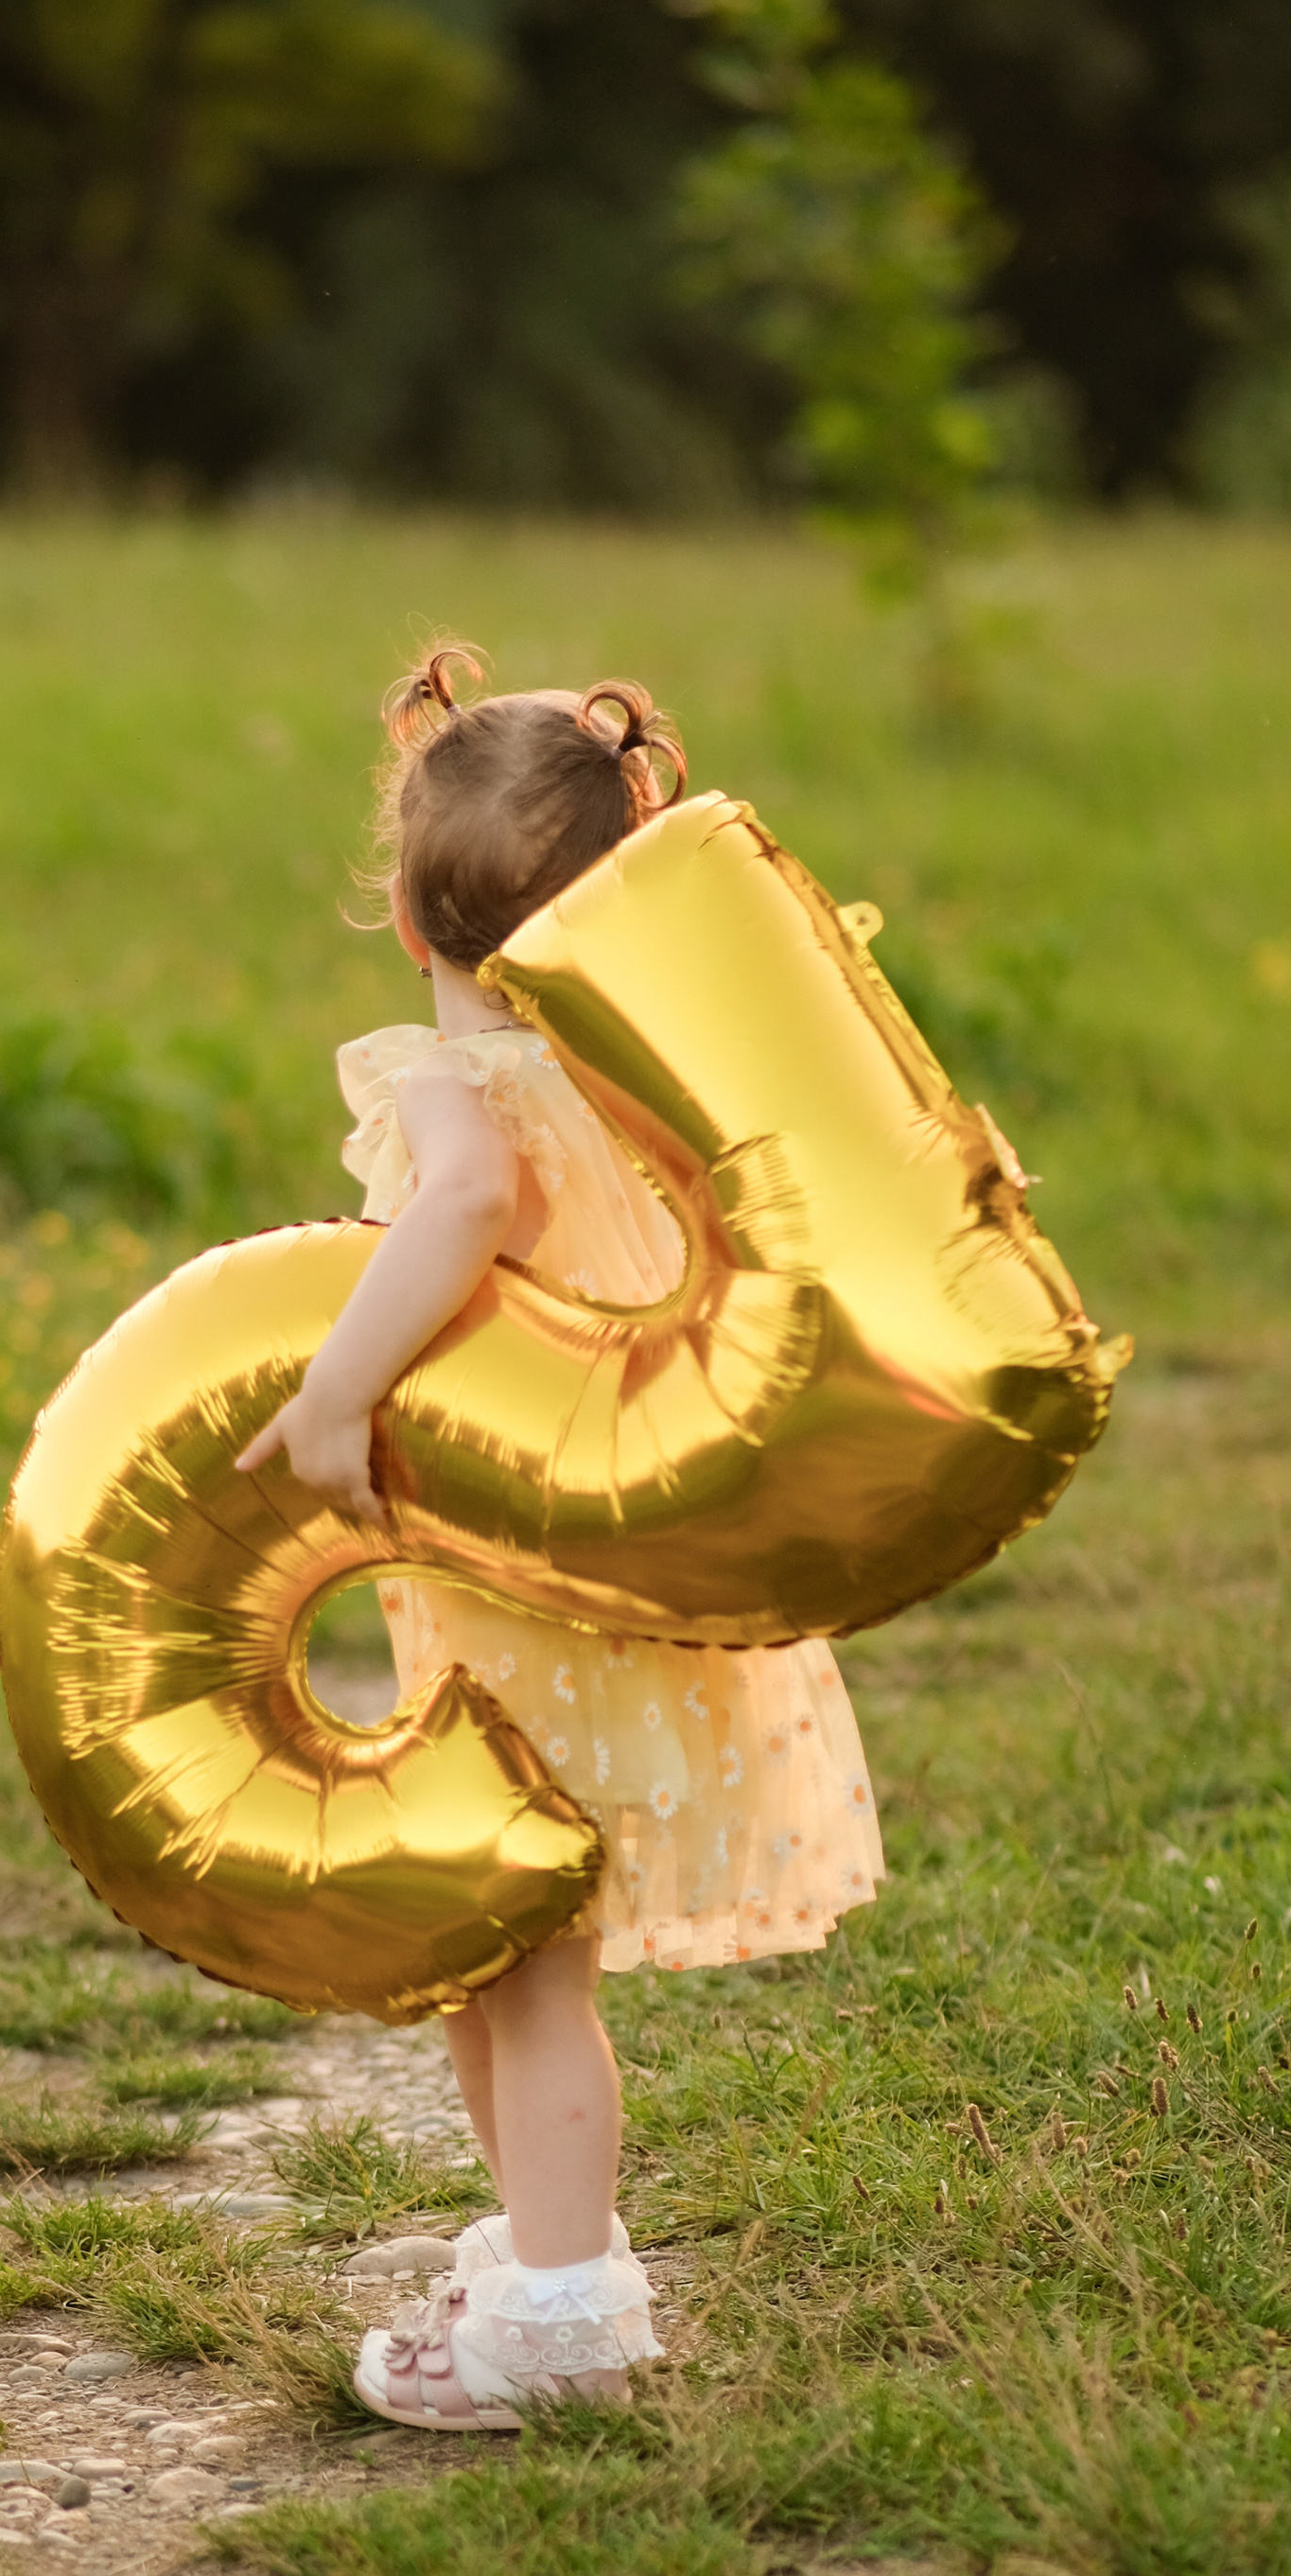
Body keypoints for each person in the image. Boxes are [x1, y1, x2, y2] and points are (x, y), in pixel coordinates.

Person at [237, 644, 884, 2432]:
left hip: (533, 1603)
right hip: (577, 1575)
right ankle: (545, 2243)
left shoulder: (469, 1102)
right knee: (493, 1940)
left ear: (403, 913)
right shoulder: (624, 1082)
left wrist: (333, 1392)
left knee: (522, 1955)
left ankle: (569, 2319)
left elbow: (461, 1209)